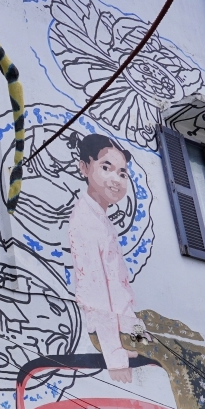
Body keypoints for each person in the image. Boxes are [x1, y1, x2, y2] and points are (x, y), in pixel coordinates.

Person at [68, 132, 141, 384]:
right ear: (84, 168)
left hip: (126, 327)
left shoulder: (102, 220)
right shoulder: (85, 222)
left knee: (183, 339)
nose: (116, 179)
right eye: (106, 168)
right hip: (106, 333)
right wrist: (116, 357)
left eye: (122, 173)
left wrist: (139, 338)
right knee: (182, 352)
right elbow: (95, 296)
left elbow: (120, 290)